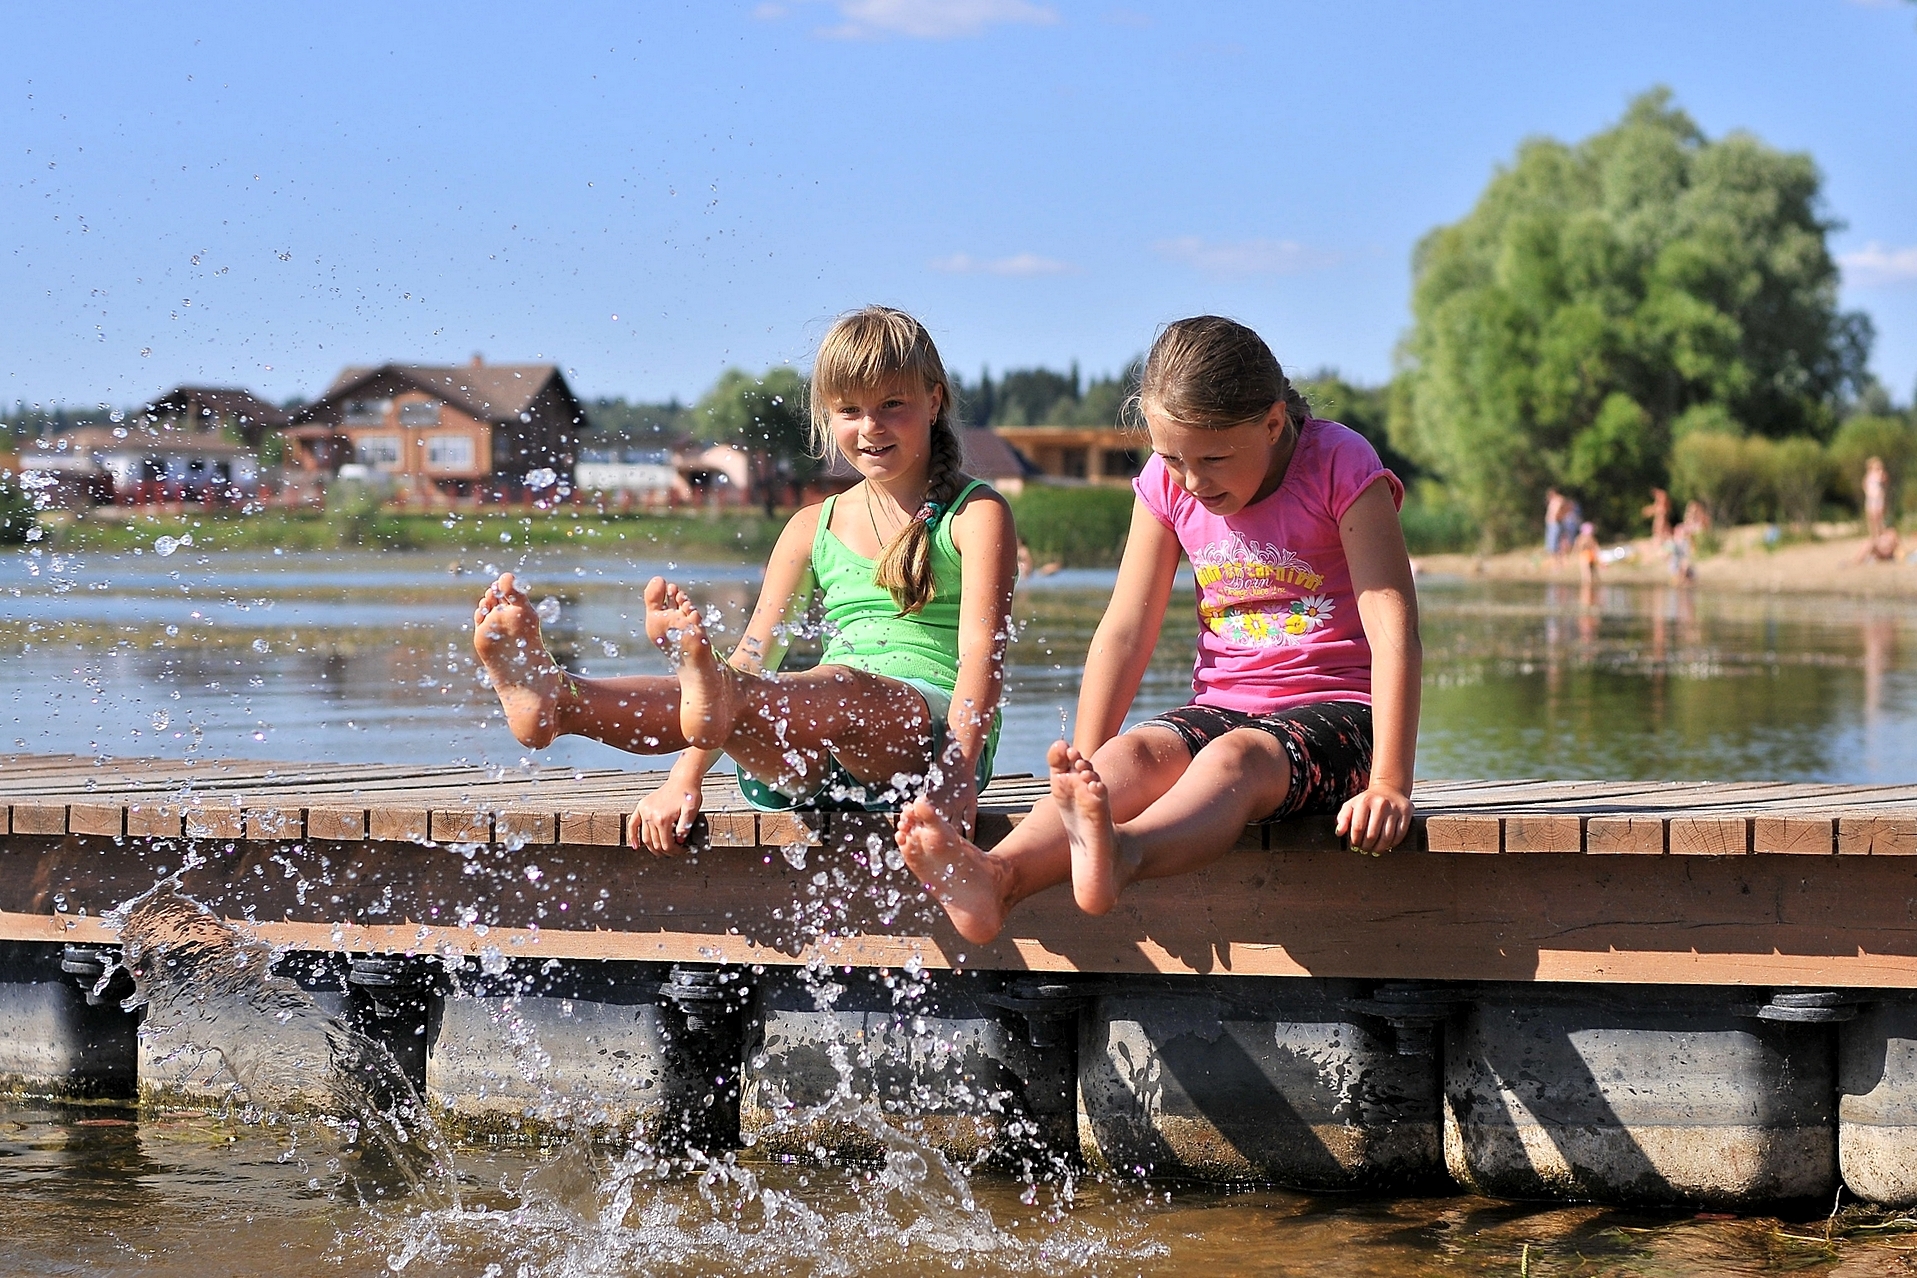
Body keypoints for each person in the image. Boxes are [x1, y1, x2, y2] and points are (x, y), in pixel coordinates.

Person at [896, 315, 1420, 944]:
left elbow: (1394, 631)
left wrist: (1389, 783)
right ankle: (996, 878)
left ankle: (1125, 854)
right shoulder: (1163, 486)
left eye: (1214, 459)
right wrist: (1083, 772)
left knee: (1236, 757)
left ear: (1272, 423)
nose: (1193, 482)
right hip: (1223, 706)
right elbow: (1125, 630)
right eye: (1173, 459)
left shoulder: (1339, 464)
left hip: (1343, 718)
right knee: (1134, 753)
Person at [472, 306, 1018, 848]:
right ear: (828, 416)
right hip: (816, 754)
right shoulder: (810, 527)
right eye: (850, 410)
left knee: (837, 685)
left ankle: (625, 694)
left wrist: (958, 774)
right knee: (740, 693)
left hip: (936, 742)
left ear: (934, 400)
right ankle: (560, 700)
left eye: (892, 404)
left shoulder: (976, 514)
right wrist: (683, 779)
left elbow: (981, 656)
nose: (870, 427)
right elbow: (753, 658)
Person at [1863, 456, 1889, 542]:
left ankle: (1881, 534)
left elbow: (1885, 481)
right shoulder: (1868, 476)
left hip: (1878, 498)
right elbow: (1865, 485)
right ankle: (1874, 536)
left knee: (1879, 517)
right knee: (1871, 517)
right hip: (1871, 498)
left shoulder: (1880, 475)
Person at [1544, 488, 1567, 559]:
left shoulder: (1558, 500)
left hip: (1555, 523)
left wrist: (1556, 517)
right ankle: (1555, 560)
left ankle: (1556, 560)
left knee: (1554, 542)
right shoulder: (1555, 500)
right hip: (1552, 523)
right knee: (1553, 542)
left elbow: (1559, 510)